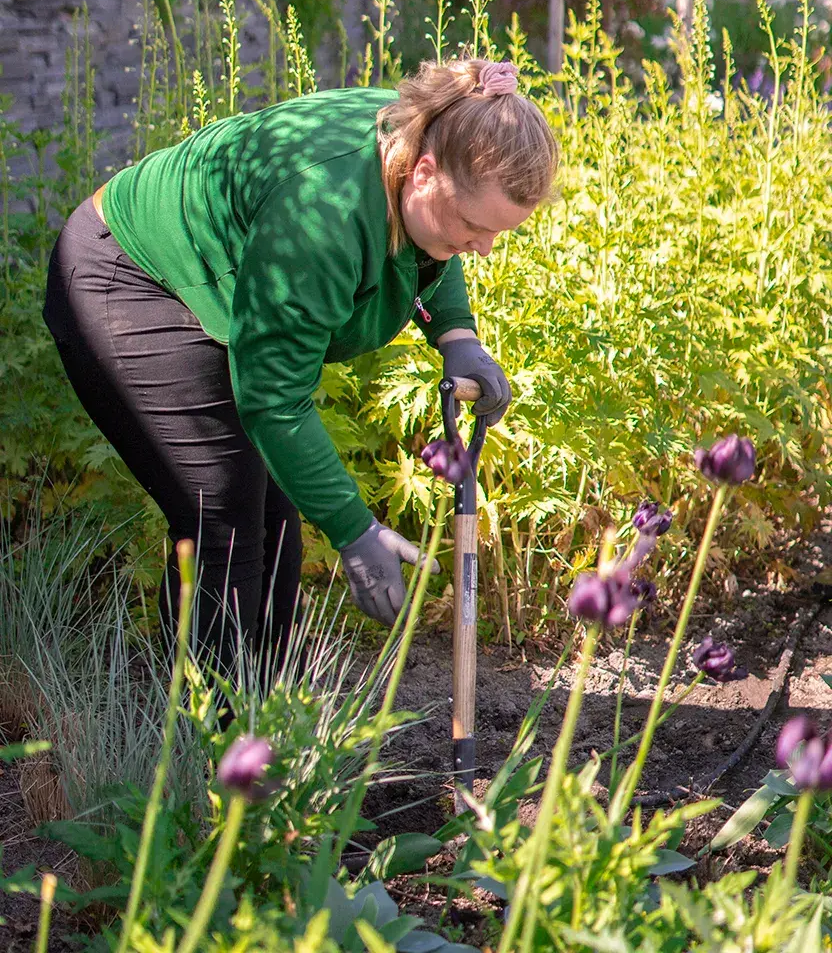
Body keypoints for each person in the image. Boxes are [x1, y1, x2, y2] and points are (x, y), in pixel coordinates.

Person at [43, 57, 556, 668]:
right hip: (129, 274)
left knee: (274, 518)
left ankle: (262, 714)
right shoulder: (325, 210)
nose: (483, 247)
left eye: (498, 232)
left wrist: (455, 334)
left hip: (219, 280)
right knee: (222, 514)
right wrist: (353, 529)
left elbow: (434, 249)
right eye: (475, 227)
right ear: (423, 173)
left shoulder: (436, 136)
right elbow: (273, 398)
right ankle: (210, 745)